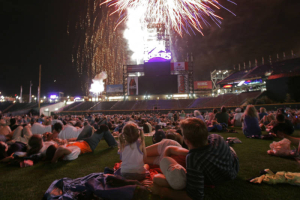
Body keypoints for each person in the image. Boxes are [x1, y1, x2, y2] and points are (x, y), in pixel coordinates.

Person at [152, 118, 239, 200]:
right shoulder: (216, 137)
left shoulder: (194, 158)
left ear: (187, 141)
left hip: (226, 174)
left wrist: (162, 191)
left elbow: (195, 196)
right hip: (233, 165)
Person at [46, 125, 117, 163]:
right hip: (88, 145)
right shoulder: (68, 155)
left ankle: (94, 133)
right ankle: (114, 143)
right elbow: (61, 149)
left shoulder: (64, 149)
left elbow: (62, 147)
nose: (58, 145)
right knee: (103, 127)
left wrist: (66, 141)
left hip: (80, 141)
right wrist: (54, 160)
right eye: (57, 146)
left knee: (88, 127)